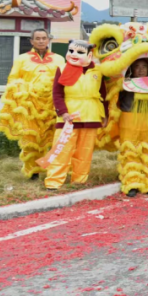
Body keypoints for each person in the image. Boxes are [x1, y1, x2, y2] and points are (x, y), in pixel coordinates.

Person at [0, 28, 65, 179]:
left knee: (56, 138)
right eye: (37, 38)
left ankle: (55, 171)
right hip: (30, 105)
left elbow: (64, 80)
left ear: (48, 40)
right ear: (31, 41)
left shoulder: (59, 59)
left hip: (53, 104)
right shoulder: (22, 59)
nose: (41, 41)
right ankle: (33, 172)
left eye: (44, 38)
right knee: (31, 139)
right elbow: (13, 79)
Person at [44, 40, 105, 191]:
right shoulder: (62, 68)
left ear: (89, 55)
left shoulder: (98, 71)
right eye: (71, 51)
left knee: (85, 151)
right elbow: (57, 93)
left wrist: (106, 115)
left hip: (91, 115)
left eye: (80, 52)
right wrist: (63, 112)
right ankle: (53, 181)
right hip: (69, 116)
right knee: (61, 150)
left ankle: (79, 180)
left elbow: (103, 94)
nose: (74, 54)